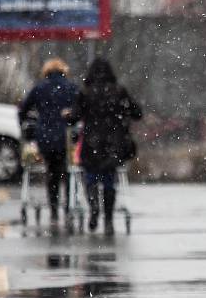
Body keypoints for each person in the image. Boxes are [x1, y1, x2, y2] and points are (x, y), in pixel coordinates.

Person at [66, 57, 142, 235]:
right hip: (114, 144)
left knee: (90, 177)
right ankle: (108, 220)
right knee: (109, 180)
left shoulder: (85, 93)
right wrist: (123, 114)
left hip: (91, 143)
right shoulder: (119, 91)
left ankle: (94, 208)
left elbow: (74, 117)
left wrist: (67, 115)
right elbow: (137, 112)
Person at [19, 58, 79, 224]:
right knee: (67, 172)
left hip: (45, 136)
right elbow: (79, 109)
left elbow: (23, 109)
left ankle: (53, 209)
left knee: (51, 172)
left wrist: (27, 125)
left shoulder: (39, 88)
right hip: (65, 136)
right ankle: (68, 206)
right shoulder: (71, 87)